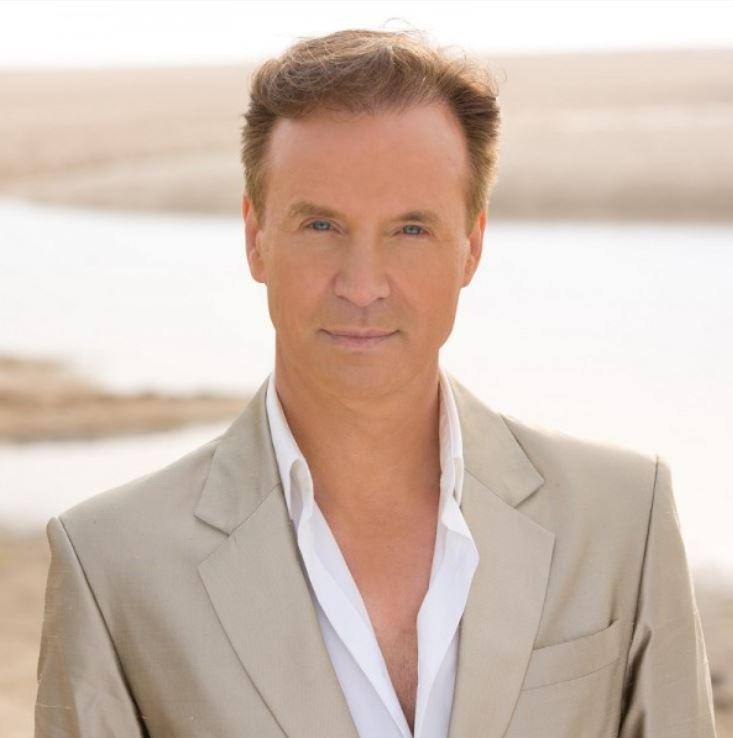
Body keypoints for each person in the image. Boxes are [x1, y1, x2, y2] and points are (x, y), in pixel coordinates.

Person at [34, 28, 718, 738]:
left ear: (472, 245)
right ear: (255, 237)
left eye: (410, 230)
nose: (362, 286)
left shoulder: (621, 518)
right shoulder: (111, 564)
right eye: (321, 225)